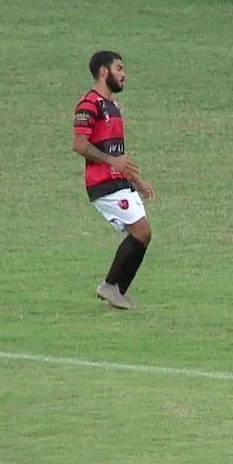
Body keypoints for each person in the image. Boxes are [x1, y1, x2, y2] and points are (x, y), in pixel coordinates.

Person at [72, 50, 155, 310]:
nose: (124, 74)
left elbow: (117, 153)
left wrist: (137, 180)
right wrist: (112, 163)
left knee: (144, 234)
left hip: (119, 180)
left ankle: (116, 290)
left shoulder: (113, 107)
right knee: (141, 231)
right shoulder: (89, 104)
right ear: (103, 71)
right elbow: (79, 145)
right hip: (102, 182)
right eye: (119, 68)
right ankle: (110, 286)